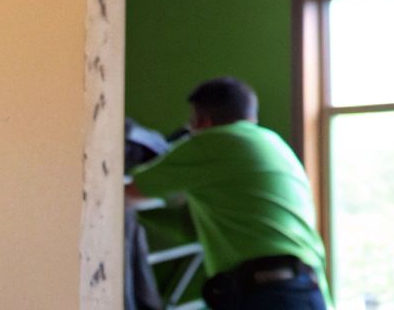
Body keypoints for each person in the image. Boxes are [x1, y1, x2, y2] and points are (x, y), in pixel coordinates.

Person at [127, 78, 330, 310]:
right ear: (250, 115)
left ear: (201, 121)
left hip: (268, 294)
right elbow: (190, 229)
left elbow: (131, 191)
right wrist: (143, 215)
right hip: (304, 287)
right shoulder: (272, 142)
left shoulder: (211, 142)